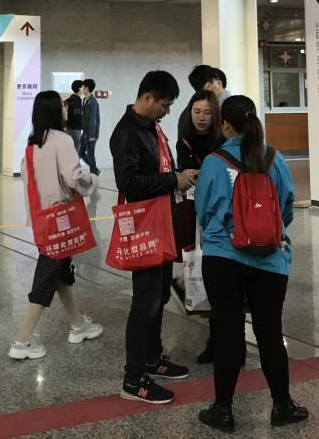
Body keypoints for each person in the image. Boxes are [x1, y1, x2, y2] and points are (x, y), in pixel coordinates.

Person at [195, 95, 308, 432]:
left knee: (228, 332)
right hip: (270, 261)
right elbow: (287, 206)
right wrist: (264, 232)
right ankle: (283, 406)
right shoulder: (274, 158)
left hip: (222, 258)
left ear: (225, 125)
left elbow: (203, 210)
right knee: (270, 332)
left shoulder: (213, 161)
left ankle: (222, 410)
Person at [112, 70, 199, 404]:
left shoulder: (152, 128)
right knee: (144, 303)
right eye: (164, 104)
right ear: (147, 97)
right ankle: (133, 380)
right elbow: (128, 183)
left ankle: (152, 357)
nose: (167, 110)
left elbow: (161, 170)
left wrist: (177, 177)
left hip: (162, 223)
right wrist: (173, 180)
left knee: (159, 296)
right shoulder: (126, 133)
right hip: (145, 226)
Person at [9, 91, 103, 359]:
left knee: (61, 273)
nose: (66, 108)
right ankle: (22, 342)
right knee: (46, 276)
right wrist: (93, 180)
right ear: (53, 110)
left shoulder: (33, 143)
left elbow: (29, 183)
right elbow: (74, 178)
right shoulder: (62, 139)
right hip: (62, 219)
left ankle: (78, 325)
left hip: (44, 219)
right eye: (62, 104)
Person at [174, 89, 223, 363]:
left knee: (218, 275)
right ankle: (214, 338)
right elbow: (182, 172)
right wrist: (183, 174)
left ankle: (221, 340)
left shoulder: (222, 138)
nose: (201, 118)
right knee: (200, 268)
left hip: (220, 214)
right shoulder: (184, 139)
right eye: (196, 112)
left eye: (207, 113)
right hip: (194, 212)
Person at [80, 78, 101, 175]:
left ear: (87, 88)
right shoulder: (85, 100)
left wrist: (92, 135)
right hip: (85, 132)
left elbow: (93, 119)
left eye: (83, 87)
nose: (82, 89)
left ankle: (93, 174)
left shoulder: (93, 102)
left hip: (91, 133)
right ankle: (95, 170)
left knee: (90, 154)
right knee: (81, 153)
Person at [65, 80, 85, 153]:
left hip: (69, 128)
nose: (84, 88)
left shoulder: (70, 99)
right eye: (83, 87)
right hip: (75, 129)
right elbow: (77, 115)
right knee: (76, 152)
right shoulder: (77, 101)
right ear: (79, 88)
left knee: (70, 150)